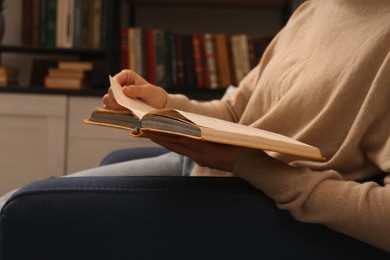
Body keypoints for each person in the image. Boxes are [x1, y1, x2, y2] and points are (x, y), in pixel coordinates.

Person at [1, 0, 390, 254]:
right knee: (11, 203)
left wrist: (247, 164)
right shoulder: (317, 8)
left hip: (261, 199)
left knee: (19, 213)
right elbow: (239, 108)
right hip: (219, 171)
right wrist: (166, 106)